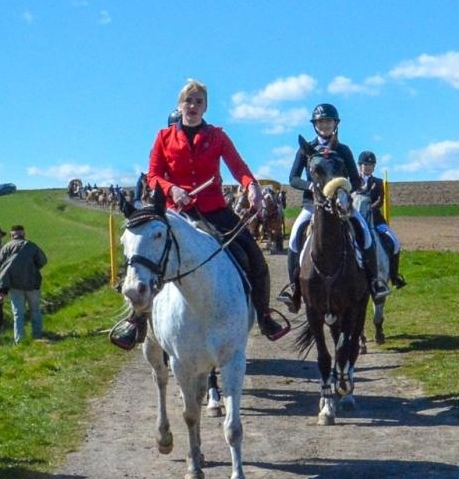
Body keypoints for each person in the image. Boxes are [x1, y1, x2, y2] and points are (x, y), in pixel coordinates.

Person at [138, 79, 287, 342]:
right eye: (188, 100)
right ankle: (137, 321)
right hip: (177, 213)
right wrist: (172, 189)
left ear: (205, 107)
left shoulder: (217, 136)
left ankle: (263, 315)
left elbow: (238, 167)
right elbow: (152, 175)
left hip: (215, 211)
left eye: (198, 101)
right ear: (179, 104)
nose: (193, 105)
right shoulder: (163, 137)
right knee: (145, 258)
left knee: (255, 258)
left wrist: (251, 186)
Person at [282, 106, 378, 307]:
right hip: (313, 205)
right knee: (294, 239)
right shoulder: (306, 149)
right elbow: (293, 178)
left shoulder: (343, 150)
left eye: (328, 121)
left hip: (341, 204)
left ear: (335, 124)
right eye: (320, 122)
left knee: (365, 233)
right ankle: (293, 288)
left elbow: (356, 179)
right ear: (315, 125)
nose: (324, 125)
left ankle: (374, 281)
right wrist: (311, 186)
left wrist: (344, 190)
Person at [357, 150, 406, 288]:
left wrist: (369, 208)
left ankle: (394, 276)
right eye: (365, 164)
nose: (368, 167)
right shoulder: (353, 181)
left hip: (376, 220)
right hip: (356, 219)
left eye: (371, 164)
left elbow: (380, 200)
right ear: (359, 165)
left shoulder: (378, 182)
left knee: (395, 243)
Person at [0, 224, 47, 343]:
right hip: (32, 284)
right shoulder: (31, 246)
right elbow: (43, 261)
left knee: (17, 313)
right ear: (23, 234)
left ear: (11, 235)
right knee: (35, 310)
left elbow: (0, 270)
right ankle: (37, 335)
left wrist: (1, 290)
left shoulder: (5, 248)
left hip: (14, 286)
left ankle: (19, 340)